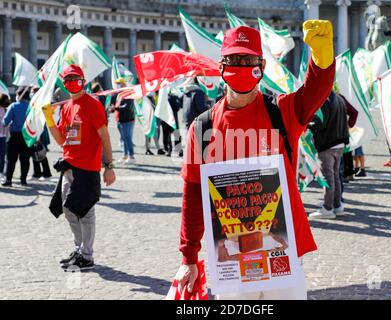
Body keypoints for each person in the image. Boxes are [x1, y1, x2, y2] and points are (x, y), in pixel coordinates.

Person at [174, 21, 335, 299]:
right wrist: (189, 256)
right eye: (234, 59)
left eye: (248, 60)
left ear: (261, 64)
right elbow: (192, 194)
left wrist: (321, 58)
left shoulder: (282, 111)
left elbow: (315, 91)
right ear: (221, 66)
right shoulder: (202, 129)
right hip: (231, 257)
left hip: (281, 249)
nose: (242, 66)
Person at [42, 64, 116, 271]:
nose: (72, 83)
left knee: (85, 211)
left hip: (88, 167)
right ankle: (79, 248)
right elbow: (62, 140)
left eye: (76, 78)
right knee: (68, 209)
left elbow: (105, 136)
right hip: (69, 164)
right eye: (68, 80)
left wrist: (109, 166)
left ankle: (87, 255)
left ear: (83, 80)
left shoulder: (93, 105)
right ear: (64, 84)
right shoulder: (66, 107)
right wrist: (49, 119)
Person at [308, 91, 355, 219]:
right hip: (340, 142)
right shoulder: (339, 97)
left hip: (328, 143)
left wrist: (307, 124)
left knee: (328, 177)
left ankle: (328, 208)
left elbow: (320, 123)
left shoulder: (325, 99)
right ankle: (337, 205)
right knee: (335, 176)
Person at [1, 87, 32, 187]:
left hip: (14, 136)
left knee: (11, 159)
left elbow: (5, 122)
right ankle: (23, 180)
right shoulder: (31, 107)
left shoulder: (13, 106)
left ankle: (9, 180)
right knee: (25, 158)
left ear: (19, 95)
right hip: (27, 136)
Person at [110, 77, 136, 164]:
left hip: (128, 120)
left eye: (119, 84)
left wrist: (116, 108)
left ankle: (131, 156)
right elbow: (117, 105)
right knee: (123, 139)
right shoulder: (119, 95)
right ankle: (125, 155)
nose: (117, 85)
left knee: (128, 138)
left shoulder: (128, 94)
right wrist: (112, 109)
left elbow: (127, 107)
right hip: (120, 119)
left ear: (123, 84)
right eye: (117, 84)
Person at [0, 93, 10, 178]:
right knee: (2, 155)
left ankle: (1, 171)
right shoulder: (4, 110)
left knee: (2, 155)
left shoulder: (5, 110)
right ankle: (1, 171)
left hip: (3, 135)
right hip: (2, 135)